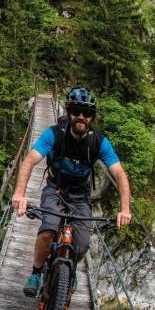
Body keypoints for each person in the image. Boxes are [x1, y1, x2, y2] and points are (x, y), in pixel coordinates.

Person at [10, 87, 132, 296]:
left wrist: (125, 208)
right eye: (76, 111)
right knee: (48, 229)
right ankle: (36, 272)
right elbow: (30, 161)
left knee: (83, 244)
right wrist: (20, 194)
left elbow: (119, 173)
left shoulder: (99, 142)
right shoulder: (54, 134)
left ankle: (71, 269)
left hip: (80, 196)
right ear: (68, 111)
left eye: (87, 113)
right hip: (55, 189)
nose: (81, 117)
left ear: (92, 117)